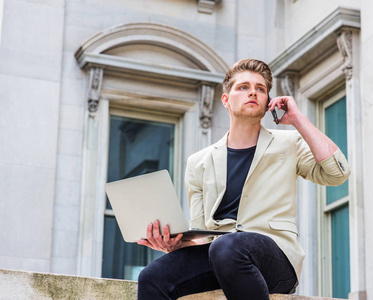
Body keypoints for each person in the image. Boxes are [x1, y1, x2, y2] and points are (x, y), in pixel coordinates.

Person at [137, 59, 350, 300]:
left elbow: (337, 173)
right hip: (218, 255)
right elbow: (200, 232)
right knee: (151, 277)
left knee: (228, 246)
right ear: (226, 100)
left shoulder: (289, 144)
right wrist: (172, 244)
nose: (253, 92)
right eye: (243, 87)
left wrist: (299, 120)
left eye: (260, 89)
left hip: (275, 256)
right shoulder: (198, 162)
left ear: (267, 102)